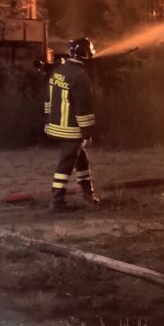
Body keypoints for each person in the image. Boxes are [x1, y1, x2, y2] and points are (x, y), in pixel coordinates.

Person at [44, 37, 100, 210]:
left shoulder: (58, 70)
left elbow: (48, 99)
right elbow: (83, 107)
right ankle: (56, 200)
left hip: (55, 124)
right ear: (85, 54)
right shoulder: (80, 76)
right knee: (67, 160)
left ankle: (87, 192)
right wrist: (87, 133)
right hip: (71, 128)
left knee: (80, 157)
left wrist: (48, 119)